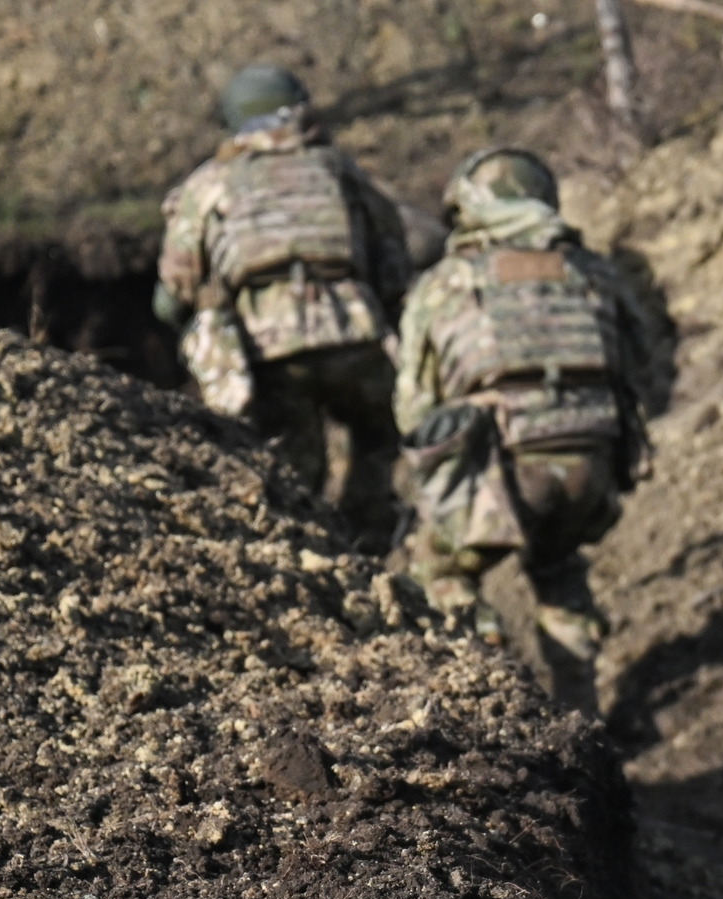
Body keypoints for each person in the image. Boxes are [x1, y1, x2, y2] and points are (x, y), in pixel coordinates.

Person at [392, 147, 655, 680]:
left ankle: (491, 687)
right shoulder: (596, 274)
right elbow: (642, 370)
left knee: (437, 571)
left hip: (502, 469)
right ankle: (584, 715)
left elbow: (413, 412)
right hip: (592, 466)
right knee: (558, 569)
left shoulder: (445, 283)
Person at [155, 64, 411, 551]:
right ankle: (368, 529)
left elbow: (172, 294)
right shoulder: (338, 169)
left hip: (264, 348)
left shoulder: (209, 185)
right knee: (380, 430)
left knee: (291, 465)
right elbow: (393, 264)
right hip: (353, 332)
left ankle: (305, 552)